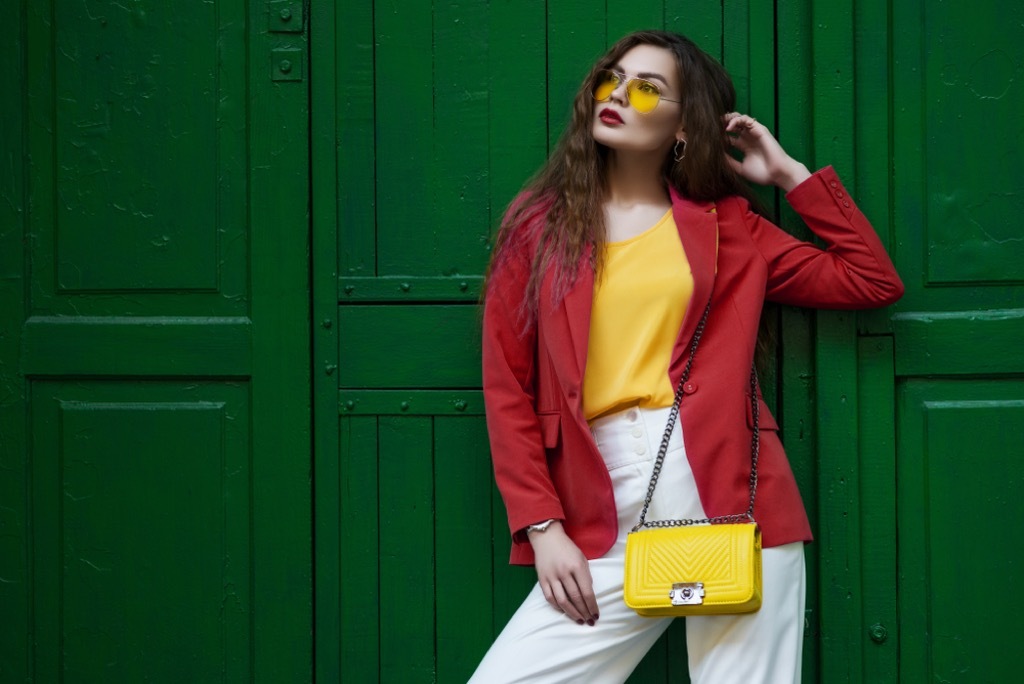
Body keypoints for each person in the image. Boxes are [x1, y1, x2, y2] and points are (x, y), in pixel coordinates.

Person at [471, 30, 903, 684]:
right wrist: (540, 525)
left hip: (733, 492)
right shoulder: (538, 228)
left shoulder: (729, 226)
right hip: (597, 502)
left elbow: (869, 281)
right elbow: (507, 387)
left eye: (648, 88)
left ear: (682, 126)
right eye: (609, 80)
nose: (617, 95)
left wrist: (788, 176)